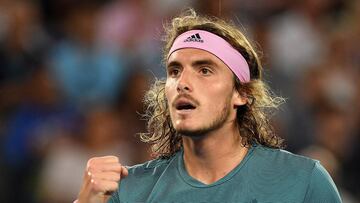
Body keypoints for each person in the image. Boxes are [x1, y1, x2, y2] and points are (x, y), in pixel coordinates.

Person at [75, 10, 342, 203]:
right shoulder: (127, 191)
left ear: (241, 94)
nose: (183, 83)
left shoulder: (303, 181)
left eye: (204, 70)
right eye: (175, 71)